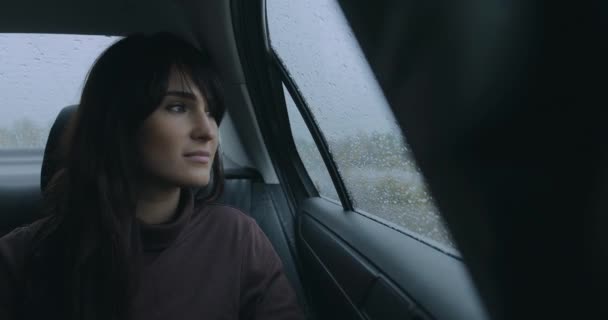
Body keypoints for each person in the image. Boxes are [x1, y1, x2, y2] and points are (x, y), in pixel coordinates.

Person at [0, 33, 304, 320]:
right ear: (117, 122)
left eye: (211, 111)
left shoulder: (238, 238)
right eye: (177, 107)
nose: (207, 131)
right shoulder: (21, 257)